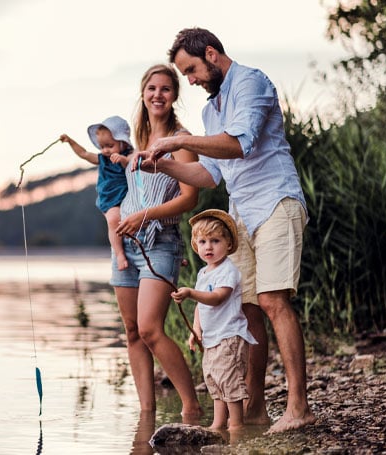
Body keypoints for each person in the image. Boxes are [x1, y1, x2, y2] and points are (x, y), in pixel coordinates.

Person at [134, 27, 316, 433]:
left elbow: (240, 144)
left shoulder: (252, 82)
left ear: (212, 54)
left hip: (275, 202)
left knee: (272, 300)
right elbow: (208, 173)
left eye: (192, 70)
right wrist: (161, 163)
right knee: (246, 309)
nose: (192, 80)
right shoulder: (210, 112)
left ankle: (299, 406)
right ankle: (253, 410)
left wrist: (177, 139)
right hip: (240, 214)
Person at [110, 64, 202, 417]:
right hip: (126, 243)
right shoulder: (137, 142)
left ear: (174, 95)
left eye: (165, 89)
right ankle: (146, 415)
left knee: (150, 328)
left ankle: (191, 406)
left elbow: (190, 198)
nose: (157, 95)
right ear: (143, 93)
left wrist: (145, 216)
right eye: (151, 88)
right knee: (132, 331)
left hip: (160, 241)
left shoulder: (181, 140)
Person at [171, 209, 257, 432]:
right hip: (211, 339)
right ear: (196, 245)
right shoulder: (203, 273)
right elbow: (201, 307)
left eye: (215, 241)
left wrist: (190, 293)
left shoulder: (228, 270)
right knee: (215, 380)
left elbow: (218, 298)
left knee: (229, 381)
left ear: (228, 244)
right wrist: (195, 329)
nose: (208, 247)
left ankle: (236, 425)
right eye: (203, 241)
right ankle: (218, 424)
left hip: (229, 337)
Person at [60, 116, 133, 270]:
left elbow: (131, 163)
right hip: (110, 198)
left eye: (110, 145)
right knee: (114, 219)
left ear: (123, 142)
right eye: (102, 146)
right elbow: (84, 154)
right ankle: (119, 254)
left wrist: (122, 160)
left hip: (128, 196)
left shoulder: (129, 155)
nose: (105, 150)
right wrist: (71, 141)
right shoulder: (103, 159)